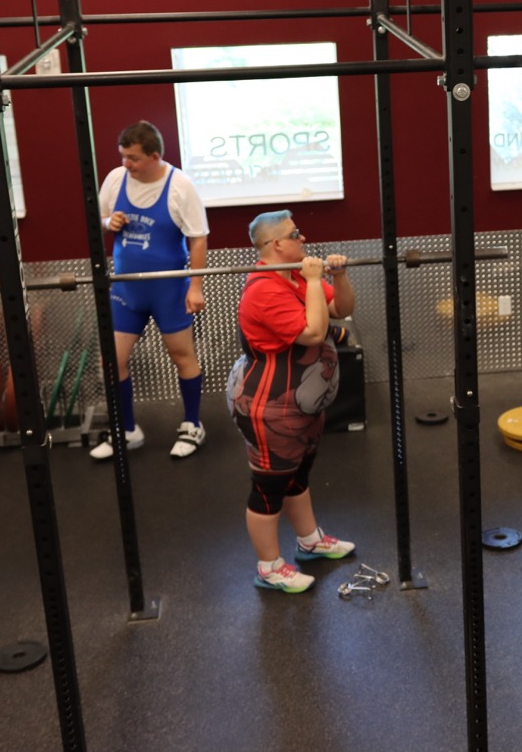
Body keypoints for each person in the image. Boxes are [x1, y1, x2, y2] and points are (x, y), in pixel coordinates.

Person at [227, 210, 356, 594]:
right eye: (295, 234)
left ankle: (310, 541)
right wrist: (315, 279)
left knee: (297, 476)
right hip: (269, 408)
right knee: (269, 487)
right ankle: (269, 568)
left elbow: (342, 311)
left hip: (302, 407)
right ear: (277, 244)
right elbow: (314, 333)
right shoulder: (264, 290)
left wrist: (338, 277)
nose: (303, 238)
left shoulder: (295, 275)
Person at [91, 120, 210, 461]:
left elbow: (198, 238)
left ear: (154, 156)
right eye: (123, 156)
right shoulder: (116, 179)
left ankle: (192, 424)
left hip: (168, 289)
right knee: (111, 361)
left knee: (181, 356)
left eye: (133, 158)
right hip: (127, 290)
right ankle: (128, 430)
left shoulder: (180, 186)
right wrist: (108, 222)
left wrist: (196, 287)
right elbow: (98, 219)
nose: (125, 163)